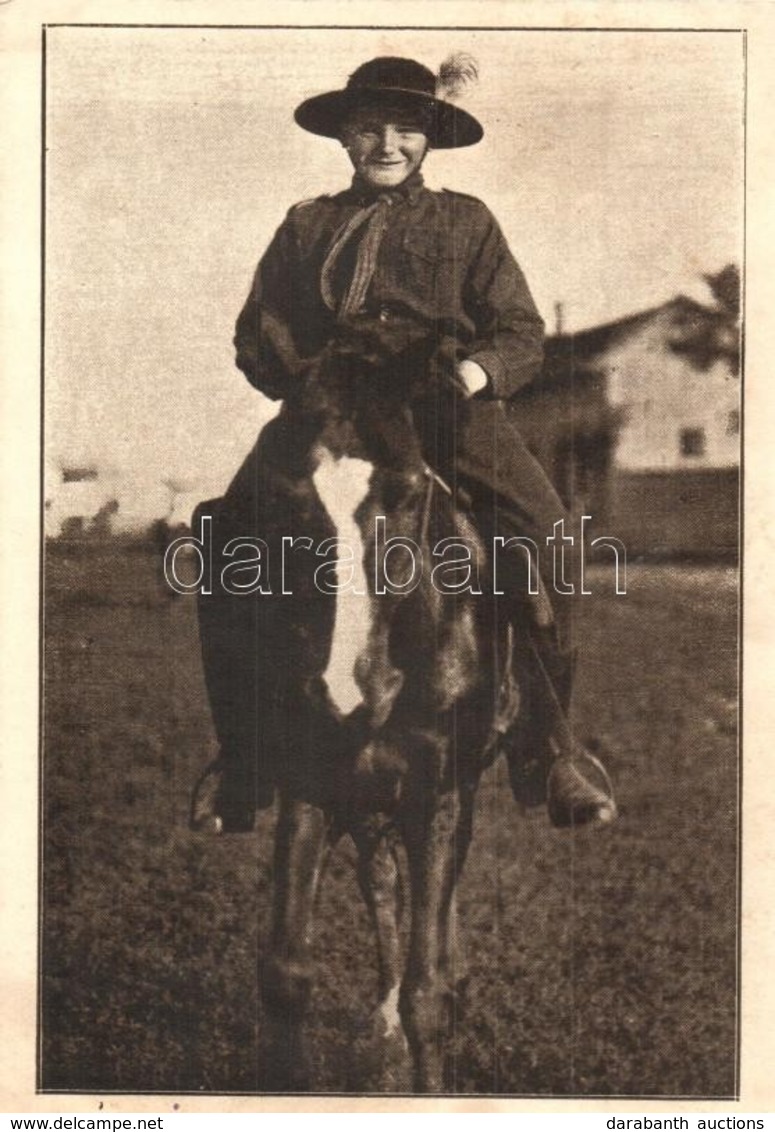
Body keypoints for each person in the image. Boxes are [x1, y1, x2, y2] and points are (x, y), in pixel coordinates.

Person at [192, 55, 616, 833]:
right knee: (223, 532)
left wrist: (473, 376)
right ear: (345, 136)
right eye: (369, 127)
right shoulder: (305, 223)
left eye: (405, 128)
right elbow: (260, 328)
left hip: (444, 411)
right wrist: (305, 379)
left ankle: (548, 747)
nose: (386, 143)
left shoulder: (466, 222)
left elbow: (520, 331)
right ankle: (243, 758)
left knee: (547, 535)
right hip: (329, 409)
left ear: (428, 140)